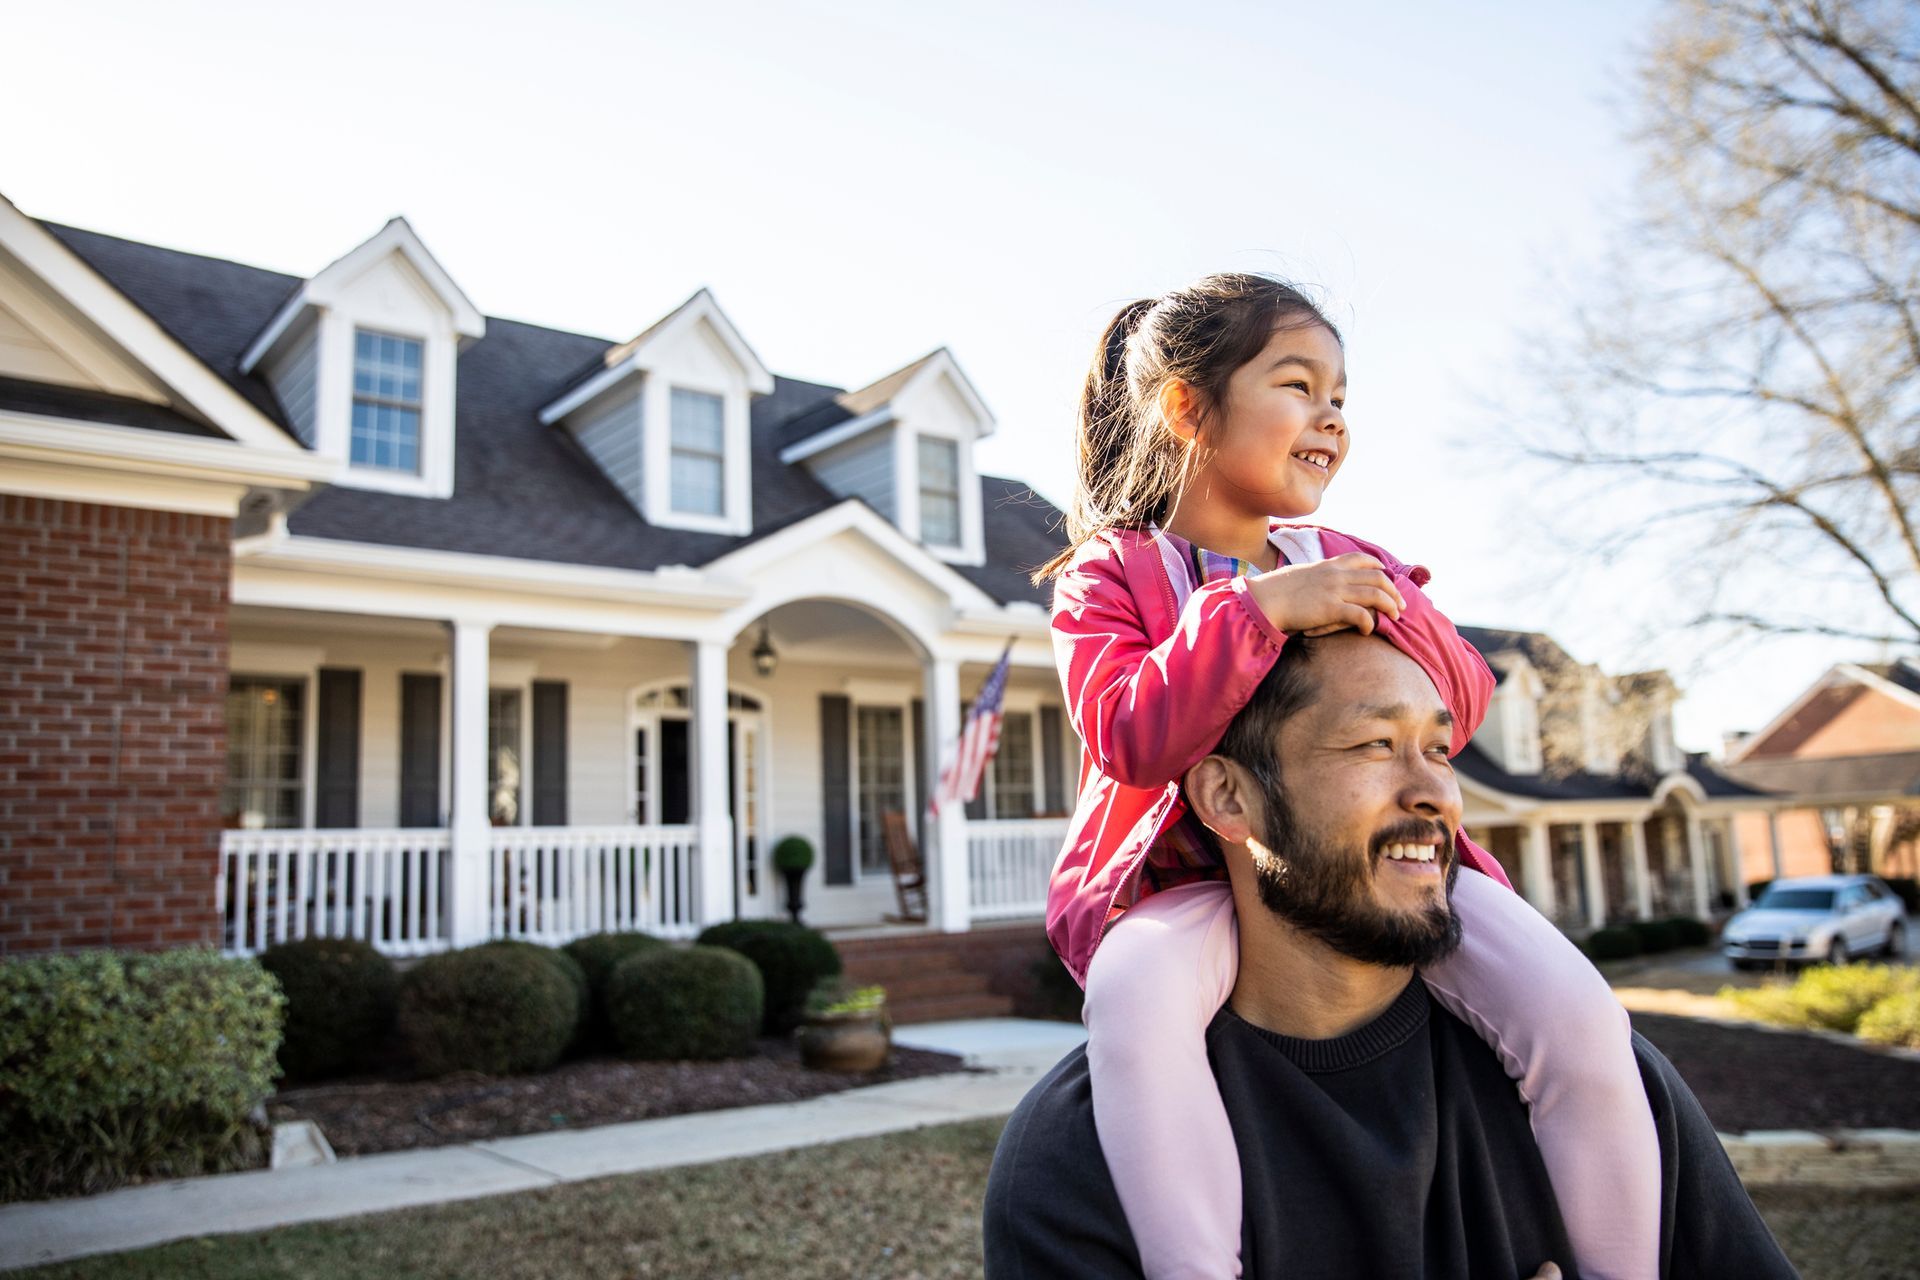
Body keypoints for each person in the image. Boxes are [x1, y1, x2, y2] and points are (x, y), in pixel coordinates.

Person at [1033, 275, 1658, 1278]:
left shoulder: (1347, 555)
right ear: (1188, 407)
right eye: (1297, 383)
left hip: (1378, 871)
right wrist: (1256, 612)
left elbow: (1461, 692)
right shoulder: (1112, 573)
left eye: (1341, 393)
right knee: (1134, 995)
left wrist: (1384, 608)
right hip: (1191, 884)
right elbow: (1128, 735)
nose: (1330, 415)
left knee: (1576, 1010)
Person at [985, 631, 1799, 1279]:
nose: (1437, 792)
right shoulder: (1080, 1152)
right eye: (1375, 744)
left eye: (1438, 750)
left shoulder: (1603, 1082)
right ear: (1228, 797)